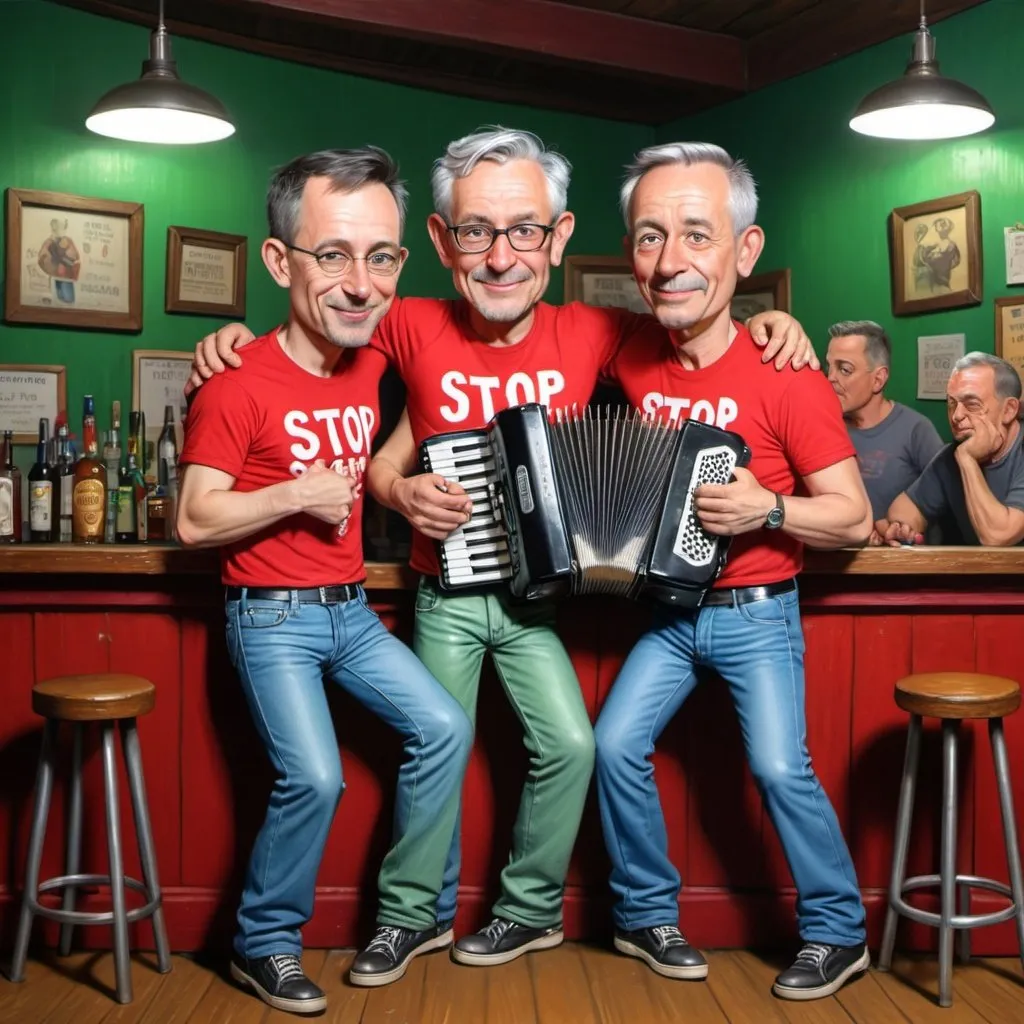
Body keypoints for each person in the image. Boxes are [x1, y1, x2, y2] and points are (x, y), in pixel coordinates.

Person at [187, 126, 817, 978]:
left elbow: (694, 317)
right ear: (444, 243)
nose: (500, 258)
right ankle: (413, 917)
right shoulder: (405, 323)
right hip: (440, 592)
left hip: (534, 599)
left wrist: (773, 319)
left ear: (557, 241)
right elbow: (316, 335)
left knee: (575, 746)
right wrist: (233, 346)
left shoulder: (599, 332)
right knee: (434, 749)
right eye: (476, 232)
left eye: (526, 231)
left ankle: (529, 910)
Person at [176, 148, 472, 1012]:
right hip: (268, 619)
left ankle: (410, 913)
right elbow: (193, 518)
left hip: (349, 614)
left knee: (445, 728)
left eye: (380, 257)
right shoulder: (235, 383)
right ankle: (262, 945)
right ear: (280, 262)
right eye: (333, 255)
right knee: (315, 778)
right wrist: (293, 494)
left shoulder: (374, 354)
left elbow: (455, 360)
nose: (359, 282)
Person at [594, 141, 872, 1000]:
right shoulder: (628, 352)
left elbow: (854, 517)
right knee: (611, 746)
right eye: (648, 238)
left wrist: (771, 510)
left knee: (781, 769)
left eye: (695, 236)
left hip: (756, 610)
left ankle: (839, 932)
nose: (669, 261)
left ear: (745, 253)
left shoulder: (788, 373)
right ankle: (647, 913)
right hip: (668, 616)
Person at [873, 351, 1024, 547]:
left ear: (1009, 410)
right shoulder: (950, 456)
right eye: (952, 403)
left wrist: (967, 460)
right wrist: (901, 527)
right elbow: (901, 512)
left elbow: (998, 536)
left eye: (972, 404)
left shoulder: (963, 453)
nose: (956, 415)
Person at [825, 320, 944, 521]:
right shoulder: (824, 428)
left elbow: (946, 498)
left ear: (878, 379)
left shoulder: (916, 429)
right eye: (829, 367)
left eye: (845, 369)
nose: (830, 378)